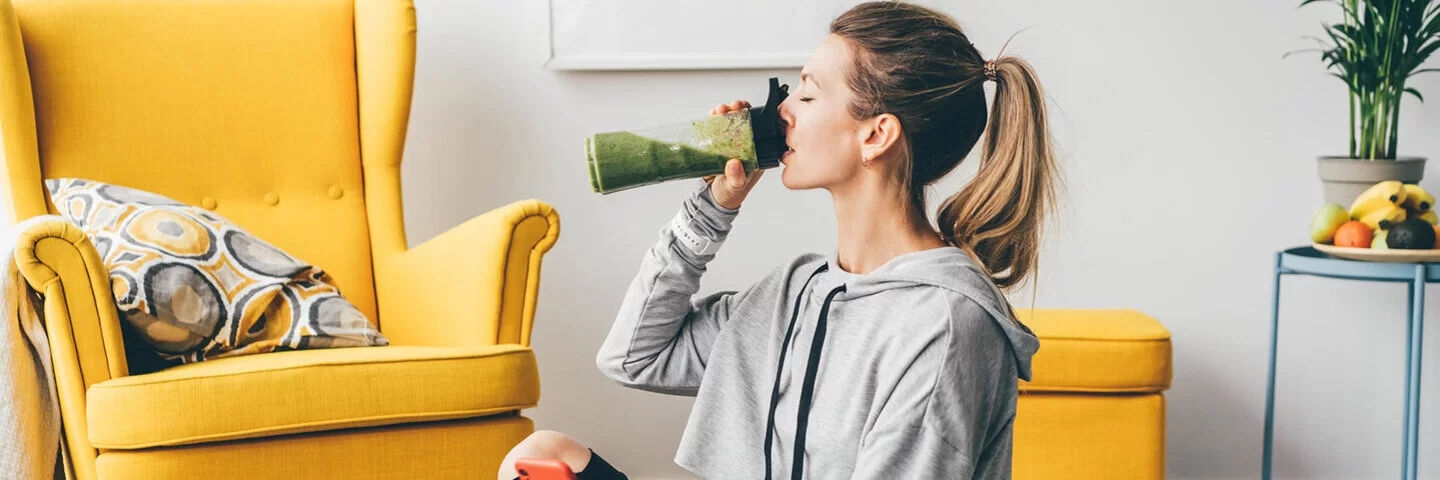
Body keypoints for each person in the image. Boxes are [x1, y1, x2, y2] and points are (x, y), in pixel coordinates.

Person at [499, 2, 1058, 478]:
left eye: (808, 96)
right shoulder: (796, 292)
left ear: (876, 135)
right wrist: (713, 208)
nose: (782, 111)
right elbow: (633, 358)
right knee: (541, 455)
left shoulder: (943, 325)